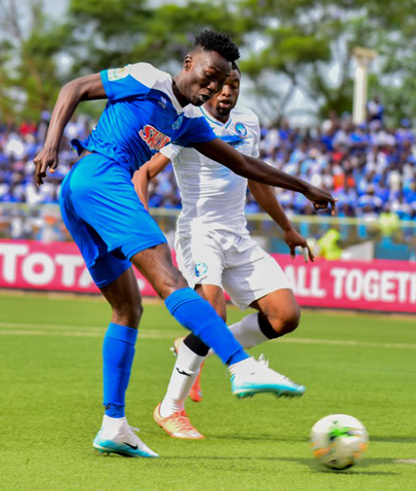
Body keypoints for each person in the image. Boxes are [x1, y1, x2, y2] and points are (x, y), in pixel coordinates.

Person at [32, 30, 335, 458]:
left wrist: (304, 187)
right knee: (171, 281)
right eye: (210, 76)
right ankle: (241, 365)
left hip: (84, 191)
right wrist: (50, 146)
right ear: (190, 63)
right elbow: (75, 88)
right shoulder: (147, 78)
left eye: (224, 81)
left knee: (127, 308)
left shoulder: (186, 123)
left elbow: (243, 163)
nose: (213, 87)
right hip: (101, 177)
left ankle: (114, 425)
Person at [132, 63, 311, 440]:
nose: (228, 92)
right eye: (222, 86)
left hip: (237, 236)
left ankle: (194, 348)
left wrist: (287, 227)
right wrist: (140, 218)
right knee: (212, 310)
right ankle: (170, 409)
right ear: (208, 87)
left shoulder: (249, 122)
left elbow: (256, 179)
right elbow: (146, 171)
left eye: (235, 85)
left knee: (285, 316)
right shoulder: (186, 122)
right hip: (199, 234)